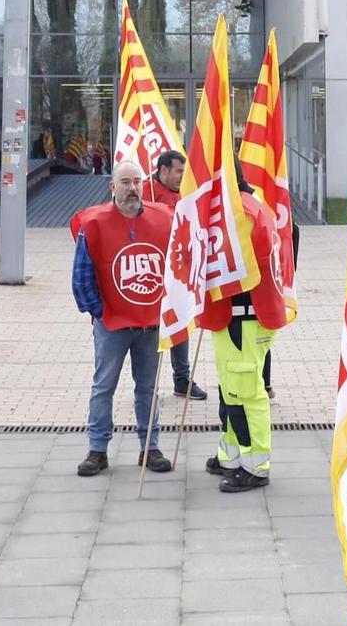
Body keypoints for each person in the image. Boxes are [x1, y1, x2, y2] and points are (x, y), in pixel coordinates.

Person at [71, 160, 173, 477]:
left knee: (148, 389)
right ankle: (97, 449)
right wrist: (101, 313)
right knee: (104, 387)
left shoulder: (164, 220)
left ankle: (150, 447)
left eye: (138, 181)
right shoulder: (95, 223)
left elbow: (177, 266)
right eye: (125, 182)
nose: (132, 188)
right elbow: (81, 277)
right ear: (112, 187)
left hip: (151, 324)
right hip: (112, 326)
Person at [203, 179, 290, 492]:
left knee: (244, 392)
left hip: (241, 315)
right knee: (232, 388)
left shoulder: (240, 212)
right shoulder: (252, 204)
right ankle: (232, 455)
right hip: (244, 315)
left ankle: (254, 467)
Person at [146, 149, 207, 402]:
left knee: (179, 323)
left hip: (178, 274)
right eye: (179, 171)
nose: (183, 176)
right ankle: (148, 383)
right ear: (163, 170)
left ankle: (181, 379)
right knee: (152, 330)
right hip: (152, 274)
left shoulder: (186, 192)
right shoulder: (145, 191)